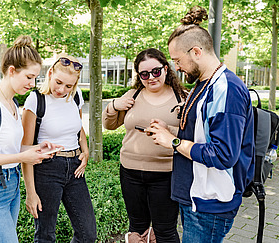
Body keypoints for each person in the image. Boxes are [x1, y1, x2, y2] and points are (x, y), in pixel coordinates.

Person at [149, 6, 255, 243]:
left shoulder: (226, 89)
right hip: (196, 198)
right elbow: (203, 134)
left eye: (177, 60)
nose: (176, 67)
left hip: (211, 203)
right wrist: (170, 131)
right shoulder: (203, 84)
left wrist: (174, 142)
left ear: (196, 51)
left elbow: (223, 154)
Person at [0, 35, 60, 243]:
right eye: (29, 77)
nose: (33, 83)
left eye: (35, 78)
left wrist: (37, 148)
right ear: (11, 71)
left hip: (11, 184)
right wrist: (22, 156)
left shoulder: (13, 104)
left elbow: (9, 148)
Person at [102, 48, 186, 243]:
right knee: (137, 231)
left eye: (156, 71)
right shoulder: (133, 95)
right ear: (139, 76)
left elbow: (192, 136)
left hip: (166, 175)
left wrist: (169, 130)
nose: (151, 78)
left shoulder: (181, 97)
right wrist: (115, 105)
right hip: (130, 173)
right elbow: (110, 124)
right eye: (144, 74)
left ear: (166, 69)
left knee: (164, 232)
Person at [22, 54, 97, 242]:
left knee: (87, 234)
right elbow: (25, 150)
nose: (62, 89)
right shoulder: (35, 100)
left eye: (68, 86)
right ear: (50, 73)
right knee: (45, 235)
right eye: (58, 82)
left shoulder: (76, 96)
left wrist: (85, 151)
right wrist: (30, 192)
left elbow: (77, 127)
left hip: (74, 169)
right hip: (47, 169)